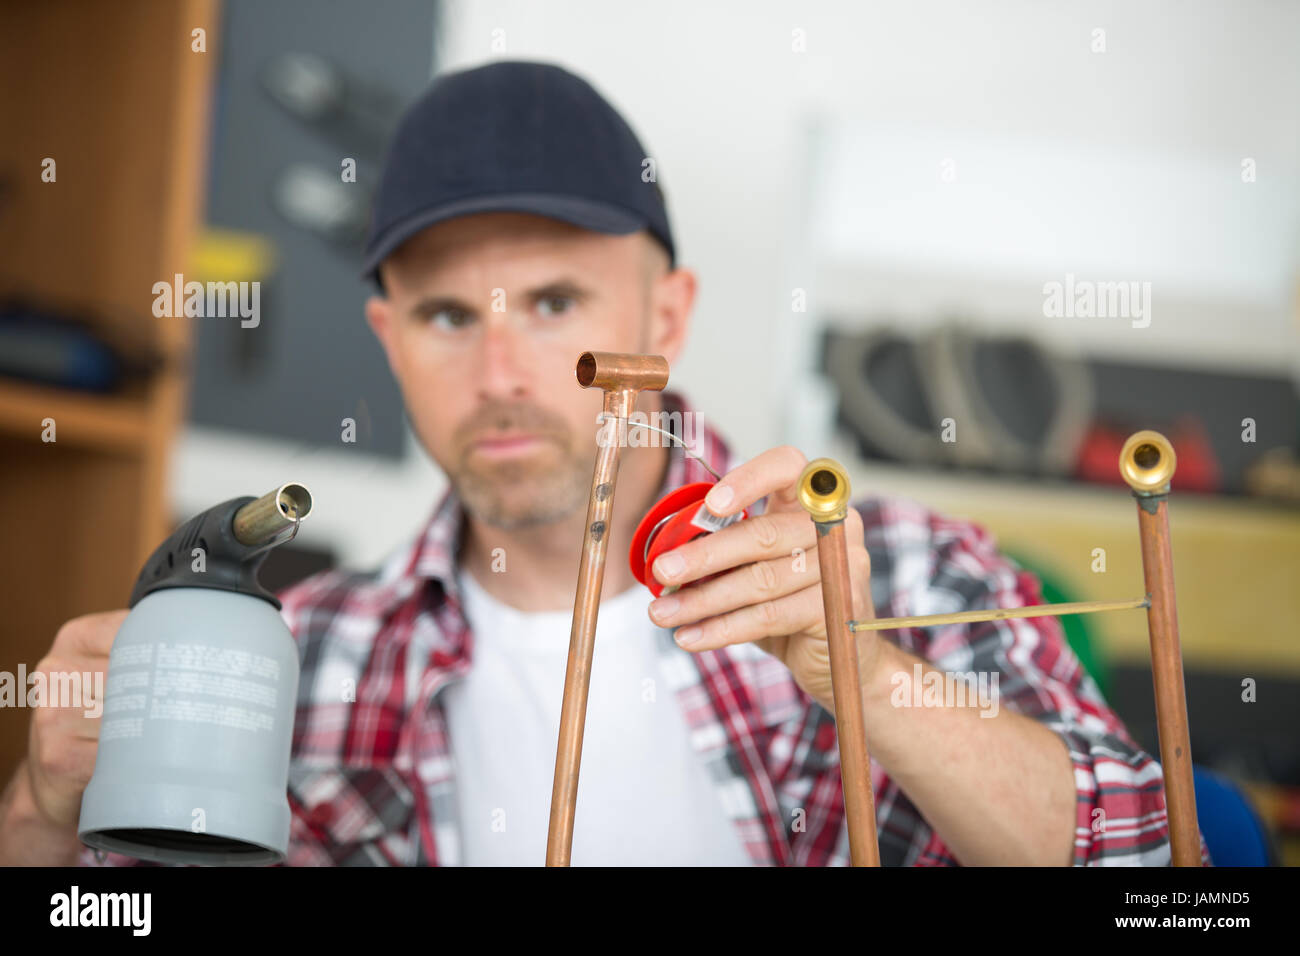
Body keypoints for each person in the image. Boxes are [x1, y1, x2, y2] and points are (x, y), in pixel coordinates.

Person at [0, 60, 1209, 867]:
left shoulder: (906, 566)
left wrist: (873, 677)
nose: (505, 368)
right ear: (388, 337)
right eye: (446, 316)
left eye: (557, 298)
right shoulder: (294, 657)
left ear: (667, 315)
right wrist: (45, 818)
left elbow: (1157, 870)